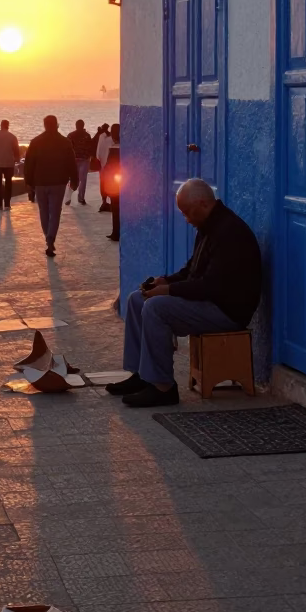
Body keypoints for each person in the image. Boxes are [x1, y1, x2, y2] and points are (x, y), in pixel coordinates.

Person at [107, 179, 261, 408]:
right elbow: (192, 270)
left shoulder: (230, 232)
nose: (186, 219)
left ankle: (163, 387)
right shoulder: (208, 227)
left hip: (226, 311)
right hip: (209, 302)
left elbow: (210, 286)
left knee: (156, 307)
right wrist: (165, 280)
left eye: (187, 212)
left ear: (202, 203)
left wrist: (167, 290)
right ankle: (141, 375)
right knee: (137, 300)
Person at [23, 116, 79, 257]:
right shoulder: (65, 142)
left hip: (40, 183)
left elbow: (29, 164)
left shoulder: (35, 142)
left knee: (43, 211)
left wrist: (29, 182)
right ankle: (50, 238)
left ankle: (48, 237)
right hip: (58, 182)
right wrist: (75, 180)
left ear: (44, 125)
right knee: (55, 212)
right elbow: (71, 163)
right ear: (57, 125)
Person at [0, 119, 20, 211]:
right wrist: (16, 160)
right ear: (8, 126)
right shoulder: (12, 137)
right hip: (9, 163)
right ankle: (7, 204)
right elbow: (16, 151)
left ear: (1, 125)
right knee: (8, 184)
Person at [66, 119, 93, 205]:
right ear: (83, 126)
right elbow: (90, 147)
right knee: (83, 180)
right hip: (84, 160)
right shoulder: (87, 135)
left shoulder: (71, 135)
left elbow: (67, 148)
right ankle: (81, 198)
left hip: (74, 160)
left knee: (72, 179)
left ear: (76, 125)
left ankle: (68, 198)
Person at [103, 124, 121, 241]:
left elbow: (108, 168)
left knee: (116, 209)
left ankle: (116, 232)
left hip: (116, 184)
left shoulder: (114, 150)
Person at [96, 123, 114, 212]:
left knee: (103, 184)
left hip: (103, 165)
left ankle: (104, 202)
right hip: (109, 166)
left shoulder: (101, 137)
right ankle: (109, 203)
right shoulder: (110, 139)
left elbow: (98, 152)